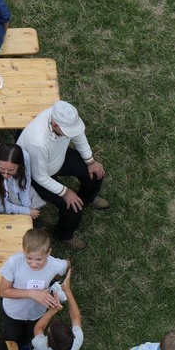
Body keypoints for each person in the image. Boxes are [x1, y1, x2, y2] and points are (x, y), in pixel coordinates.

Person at [17, 100, 109, 250]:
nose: (71, 134)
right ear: (55, 126)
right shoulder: (37, 143)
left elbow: (78, 135)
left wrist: (90, 161)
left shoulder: (60, 120)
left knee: (95, 174)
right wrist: (65, 192)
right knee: (73, 208)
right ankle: (64, 234)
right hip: (37, 174)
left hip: (57, 157)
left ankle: (88, 199)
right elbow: (39, 176)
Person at [0, 228, 69, 350]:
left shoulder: (54, 264)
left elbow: (67, 264)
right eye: (29, 258)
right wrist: (32, 293)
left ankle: (24, 347)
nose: (33, 264)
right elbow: (3, 291)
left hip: (36, 313)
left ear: (48, 253)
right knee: (11, 335)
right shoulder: (14, 263)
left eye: (39, 259)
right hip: (13, 312)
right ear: (23, 251)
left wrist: (63, 282)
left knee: (28, 334)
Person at [0, 143, 44, 220]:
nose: (5, 175)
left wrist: (26, 205)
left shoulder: (24, 160)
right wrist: (26, 211)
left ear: (19, 165)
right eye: (2, 169)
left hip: (10, 199)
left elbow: (25, 182)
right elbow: (0, 206)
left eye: (11, 170)